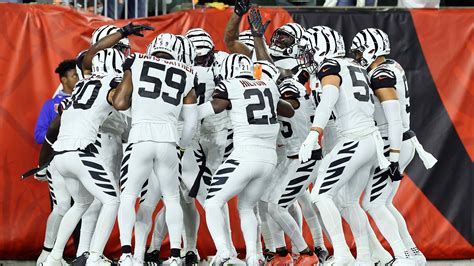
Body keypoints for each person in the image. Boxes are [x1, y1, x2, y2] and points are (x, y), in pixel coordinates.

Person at [298, 26, 390, 265]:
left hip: (355, 138)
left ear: (320, 48)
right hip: (370, 138)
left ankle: (342, 254)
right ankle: (368, 256)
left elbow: (328, 100)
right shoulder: (355, 64)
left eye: (309, 50)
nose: (306, 55)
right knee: (348, 202)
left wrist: (313, 134)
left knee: (320, 195)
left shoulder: (330, 66)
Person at [351, 28, 437, 266]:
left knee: (372, 203)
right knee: (384, 203)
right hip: (401, 140)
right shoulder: (392, 66)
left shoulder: (381, 74)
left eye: (359, 52)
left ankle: (402, 256)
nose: (357, 57)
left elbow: (394, 117)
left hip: (393, 141)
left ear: (371, 50)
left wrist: (393, 156)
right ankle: (412, 253)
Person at [199, 53, 294, 265]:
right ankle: (253, 255)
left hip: (245, 155)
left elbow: (215, 107)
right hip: (268, 159)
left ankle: (223, 250)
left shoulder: (229, 84)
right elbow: (288, 110)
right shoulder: (268, 83)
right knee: (246, 207)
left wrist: (184, 114)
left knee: (213, 202)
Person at [113, 33, 198, 266]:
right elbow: (191, 122)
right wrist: (180, 147)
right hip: (169, 141)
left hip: (140, 137)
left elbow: (120, 102)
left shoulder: (137, 61)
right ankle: (174, 256)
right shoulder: (189, 73)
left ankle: (127, 255)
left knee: (130, 196)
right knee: (171, 199)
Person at [42, 48, 124, 266]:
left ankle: (54, 256)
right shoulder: (112, 82)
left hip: (60, 155)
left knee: (80, 203)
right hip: (80, 152)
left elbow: (54, 126)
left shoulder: (79, 85)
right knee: (111, 200)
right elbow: (121, 104)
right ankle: (94, 256)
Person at [34, 60, 78, 145]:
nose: (79, 79)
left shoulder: (85, 100)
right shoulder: (50, 105)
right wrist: (63, 133)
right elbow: (38, 136)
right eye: (74, 76)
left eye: (79, 75)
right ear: (64, 80)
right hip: (60, 155)